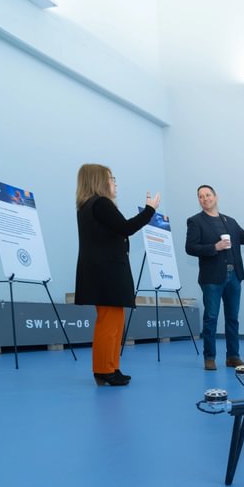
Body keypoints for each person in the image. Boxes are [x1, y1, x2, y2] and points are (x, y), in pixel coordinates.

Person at [73, 163, 160, 387]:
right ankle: (104, 370)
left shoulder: (87, 206)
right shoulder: (100, 203)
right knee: (109, 323)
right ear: (99, 180)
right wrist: (150, 210)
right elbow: (126, 227)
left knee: (114, 322)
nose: (114, 182)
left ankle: (111, 367)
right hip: (107, 271)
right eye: (111, 178)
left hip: (103, 271)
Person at [185, 185, 244, 371]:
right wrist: (215, 247)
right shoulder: (195, 221)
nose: (205, 199)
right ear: (199, 200)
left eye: (208, 195)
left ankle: (233, 357)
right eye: (201, 196)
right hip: (212, 277)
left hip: (234, 276)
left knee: (232, 318)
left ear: (215, 197)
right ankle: (209, 357)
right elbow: (190, 248)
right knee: (211, 317)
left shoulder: (230, 221)